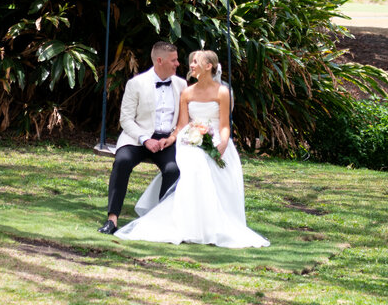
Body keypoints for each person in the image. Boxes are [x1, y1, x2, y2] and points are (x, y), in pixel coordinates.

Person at [113, 49, 269, 248]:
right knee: (196, 162)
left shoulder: (222, 92)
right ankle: (188, 222)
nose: (190, 65)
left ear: (209, 66)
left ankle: (212, 223)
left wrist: (221, 145)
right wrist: (171, 139)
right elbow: (182, 125)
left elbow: (224, 126)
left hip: (216, 140)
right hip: (190, 140)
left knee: (212, 163)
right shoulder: (187, 92)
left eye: (195, 62)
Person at [98, 41, 187, 235]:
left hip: (166, 140)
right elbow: (126, 120)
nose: (178, 64)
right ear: (160, 60)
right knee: (122, 161)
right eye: (174, 60)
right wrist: (145, 139)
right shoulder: (136, 83)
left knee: (173, 169)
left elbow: (183, 119)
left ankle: (161, 222)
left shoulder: (181, 85)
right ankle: (112, 219)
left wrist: (171, 138)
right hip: (137, 137)